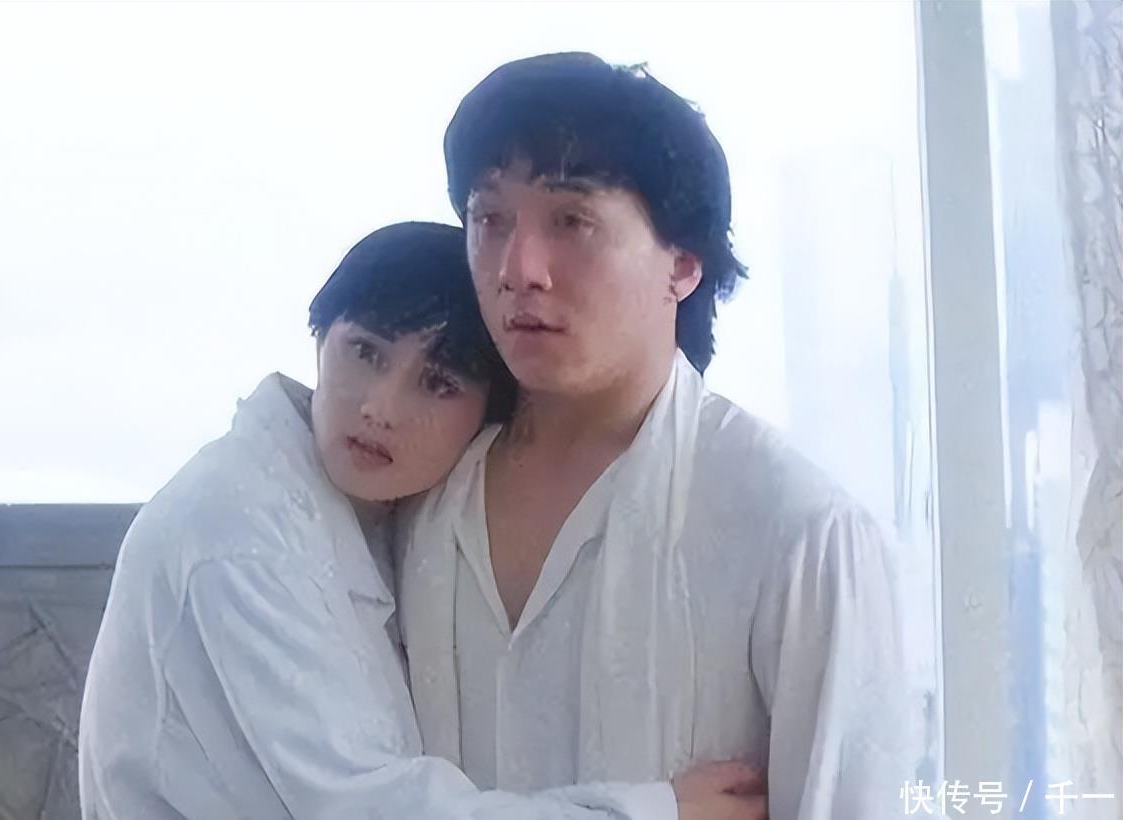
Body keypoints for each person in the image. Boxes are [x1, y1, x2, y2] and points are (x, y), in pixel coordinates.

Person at [78, 221, 759, 820]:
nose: (380, 407)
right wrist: (656, 811)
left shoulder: (382, 519)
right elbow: (372, 807)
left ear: (490, 421)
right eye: (365, 352)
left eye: (439, 384)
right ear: (319, 339)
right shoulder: (241, 537)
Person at [398, 53, 922, 819]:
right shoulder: (419, 494)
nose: (518, 268)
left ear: (682, 265)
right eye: (489, 220)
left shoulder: (800, 532)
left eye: (571, 220)